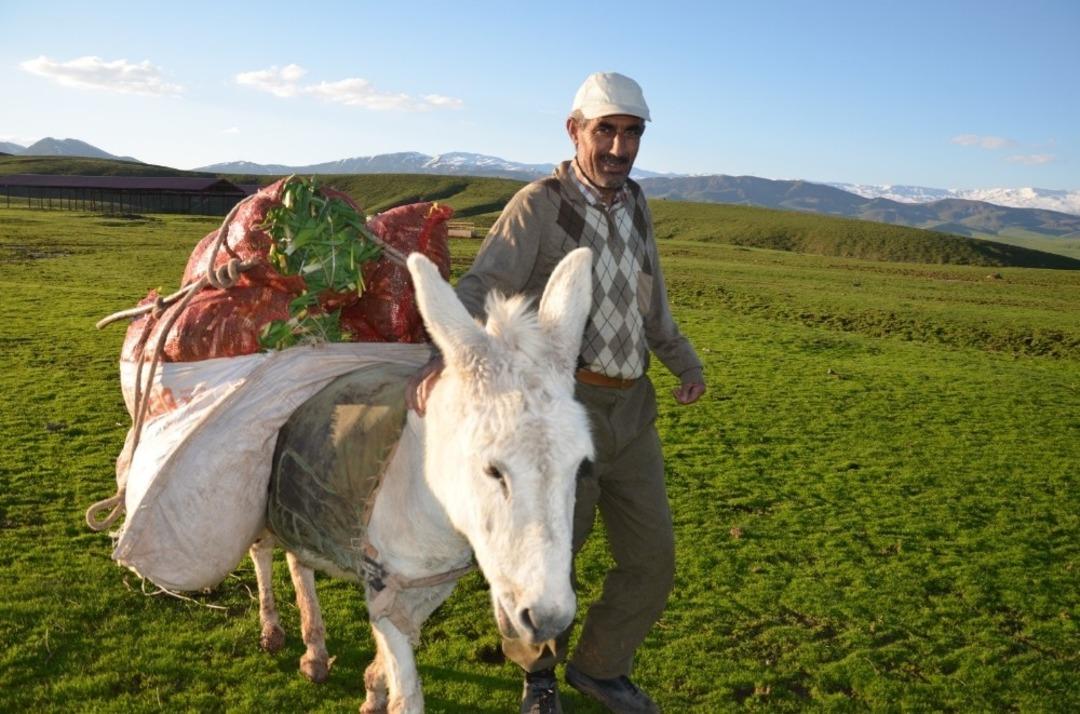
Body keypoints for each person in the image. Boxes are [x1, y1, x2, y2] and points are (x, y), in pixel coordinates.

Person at [408, 71, 706, 714]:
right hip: (560, 413)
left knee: (652, 558)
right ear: (575, 131)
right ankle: (538, 677)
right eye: (606, 131)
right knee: (545, 554)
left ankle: (600, 667)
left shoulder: (636, 203)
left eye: (632, 133)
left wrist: (683, 361)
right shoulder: (539, 204)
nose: (619, 147)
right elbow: (485, 283)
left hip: (632, 410)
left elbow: (649, 299)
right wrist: (443, 357)